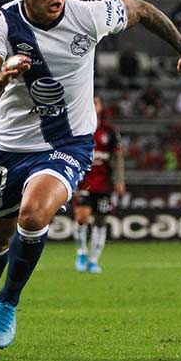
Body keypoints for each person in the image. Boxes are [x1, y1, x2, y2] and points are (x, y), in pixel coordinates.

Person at [0, 0, 181, 358]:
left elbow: (140, 8)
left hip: (67, 144)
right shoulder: (3, 21)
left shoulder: (88, 16)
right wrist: (4, 73)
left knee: (34, 213)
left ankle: (8, 302)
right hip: (11, 147)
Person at [73, 95, 124, 274]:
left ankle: (94, 260)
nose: (94, 106)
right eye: (91, 103)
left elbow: (117, 157)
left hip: (104, 184)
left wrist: (119, 180)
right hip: (84, 182)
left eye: (96, 103)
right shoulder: (79, 128)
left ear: (101, 107)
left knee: (100, 221)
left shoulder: (109, 131)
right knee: (82, 218)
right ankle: (81, 252)